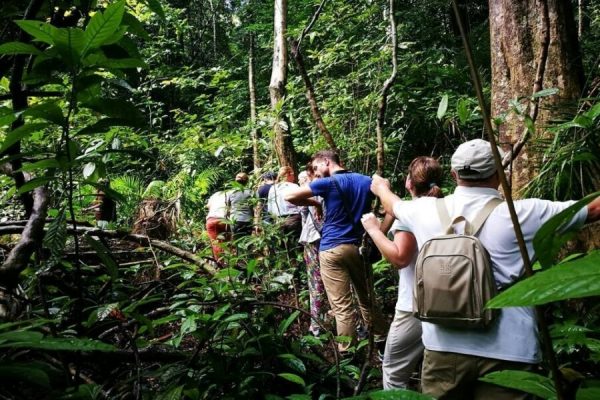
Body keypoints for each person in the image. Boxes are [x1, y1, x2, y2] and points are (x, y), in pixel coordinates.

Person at [370, 139, 600, 399]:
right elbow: (593, 209)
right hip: (509, 351)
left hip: (442, 349)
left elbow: (391, 204)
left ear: (454, 174)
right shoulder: (523, 213)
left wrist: (380, 187)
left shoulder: (424, 210)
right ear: (500, 172)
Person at [286, 150, 388, 353]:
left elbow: (290, 196)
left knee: (342, 306)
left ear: (326, 162)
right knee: (367, 298)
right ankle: (383, 344)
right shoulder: (366, 180)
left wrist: (314, 201)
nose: (316, 172)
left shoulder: (328, 183)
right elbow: (391, 209)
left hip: (331, 249)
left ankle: (348, 353)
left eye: (316, 167)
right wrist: (379, 233)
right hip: (359, 248)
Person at [361, 156, 443, 389]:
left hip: (414, 306)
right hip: (448, 300)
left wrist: (374, 230)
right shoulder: (448, 207)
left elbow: (400, 258)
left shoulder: (411, 213)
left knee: (393, 370)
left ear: (409, 182)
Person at [298, 168, 328, 337]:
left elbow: (304, 217)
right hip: (332, 238)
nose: (301, 183)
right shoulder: (332, 186)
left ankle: (316, 326)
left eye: (303, 180)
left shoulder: (313, 190)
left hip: (313, 238)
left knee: (315, 282)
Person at [268, 166, 302, 243]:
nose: (294, 176)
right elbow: (301, 204)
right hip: (293, 219)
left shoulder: (273, 188)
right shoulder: (294, 186)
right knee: (296, 243)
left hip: (278, 220)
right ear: (288, 174)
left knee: (284, 245)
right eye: (293, 174)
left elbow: (270, 208)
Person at [227, 172, 253, 238]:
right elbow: (254, 207)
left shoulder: (230, 192)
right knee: (247, 241)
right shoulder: (250, 192)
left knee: (237, 241)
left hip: (235, 220)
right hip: (247, 220)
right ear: (247, 181)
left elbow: (228, 208)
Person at [205, 189, 229, 262]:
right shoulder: (229, 194)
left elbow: (208, 206)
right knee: (227, 242)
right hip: (224, 220)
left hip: (211, 220)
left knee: (216, 243)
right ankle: (229, 263)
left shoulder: (213, 196)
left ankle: (220, 264)